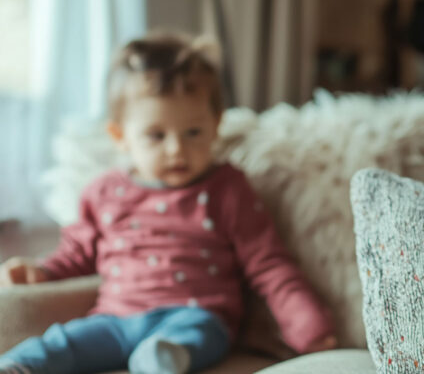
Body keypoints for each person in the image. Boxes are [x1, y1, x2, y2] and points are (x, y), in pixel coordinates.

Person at [0, 32, 336, 374]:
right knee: (63, 341)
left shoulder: (226, 189)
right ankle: (18, 365)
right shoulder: (103, 192)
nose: (177, 149)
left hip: (198, 315)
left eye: (193, 132)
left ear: (215, 124)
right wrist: (41, 270)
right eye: (156, 136)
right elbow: (76, 253)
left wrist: (307, 324)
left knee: (191, 338)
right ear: (120, 136)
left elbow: (269, 264)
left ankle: (160, 362)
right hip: (115, 319)